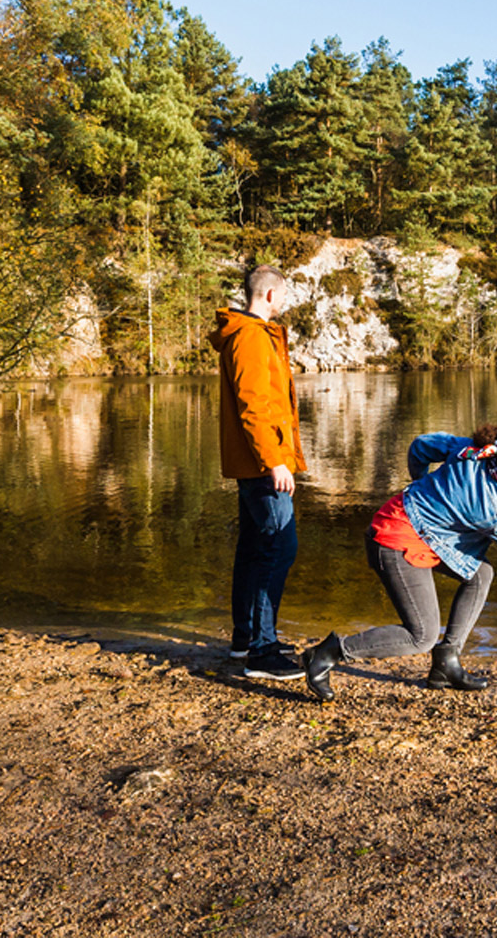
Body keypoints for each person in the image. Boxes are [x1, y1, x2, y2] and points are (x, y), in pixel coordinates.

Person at [303, 423, 497, 699]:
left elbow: (420, 447)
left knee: (480, 574)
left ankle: (447, 663)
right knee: (420, 636)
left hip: (415, 528)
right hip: (393, 541)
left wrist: (422, 484)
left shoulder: (472, 451)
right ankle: (328, 652)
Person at [209, 263, 307, 682]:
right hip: (263, 462)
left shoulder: (249, 334)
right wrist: (274, 460)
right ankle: (261, 652)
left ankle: (245, 638)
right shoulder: (250, 336)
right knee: (279, 547)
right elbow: (254, 405)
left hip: (257, 461)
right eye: (283, 296)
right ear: (269, 295)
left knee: (254, 547)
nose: (284, 303)